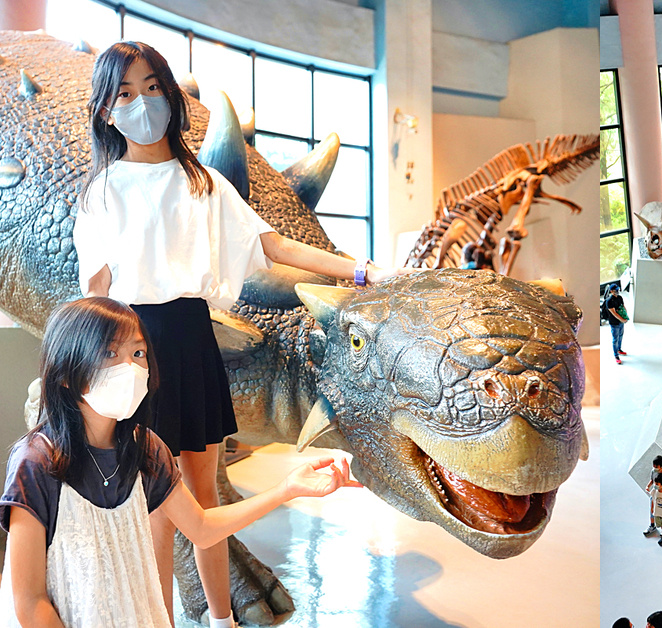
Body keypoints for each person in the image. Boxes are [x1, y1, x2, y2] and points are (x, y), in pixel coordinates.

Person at [73, 42, 404, 626]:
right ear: (105, 110)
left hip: (192, 337)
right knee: (154, 502)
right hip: (133, 349)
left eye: (152, 87)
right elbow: (95, 293)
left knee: (205, 496)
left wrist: (361, 269)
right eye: (124, 93)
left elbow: (272, 245)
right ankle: (160, 621)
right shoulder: (102, 191)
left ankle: (221, 620)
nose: (141, 102)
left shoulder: (202, 182)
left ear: (171, 95)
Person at [0, 298, 359, 627]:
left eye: (138, 353)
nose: (130, 368)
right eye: (110, 353)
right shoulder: (36, 462)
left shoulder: (146, 448)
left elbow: (200, 527)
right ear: (66, 371)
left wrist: (287, 489)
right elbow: (31, 602)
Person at [605, 284, 628, 365]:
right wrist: (622, 319)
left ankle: (619, 349)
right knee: (615, 339)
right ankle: (616, 355)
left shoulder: (620, 298)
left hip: (621, 322)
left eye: (618, 290)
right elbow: (614, 313)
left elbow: (623, 307)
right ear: (611, 291)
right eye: (615, 290)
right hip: (614, 323)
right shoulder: (609, 301)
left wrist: (625, 316)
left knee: (621, 335)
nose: (617, 291)